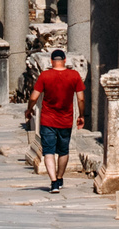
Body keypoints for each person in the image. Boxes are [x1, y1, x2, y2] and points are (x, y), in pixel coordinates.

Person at [29, 48, 86, 193]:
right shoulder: (74, 75)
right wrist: (81, 115)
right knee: (63, 151)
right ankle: (60, 177)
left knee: (48, 151)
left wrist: (29, 109)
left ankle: (53, 182)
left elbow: (34, 97)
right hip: (66, 120)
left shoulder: (45, 75)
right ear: (65, 61)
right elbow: (81, 98)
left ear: (51, 61)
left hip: (47, 120)